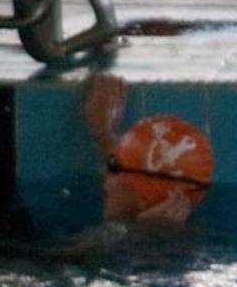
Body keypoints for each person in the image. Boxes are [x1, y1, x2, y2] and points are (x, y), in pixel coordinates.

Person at [82, 73, 198, 224]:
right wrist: (104, 133)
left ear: (142, 198)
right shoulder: (138, 230)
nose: (104, 170)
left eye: (116, 171)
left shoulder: (119, 239)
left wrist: (103, 133)